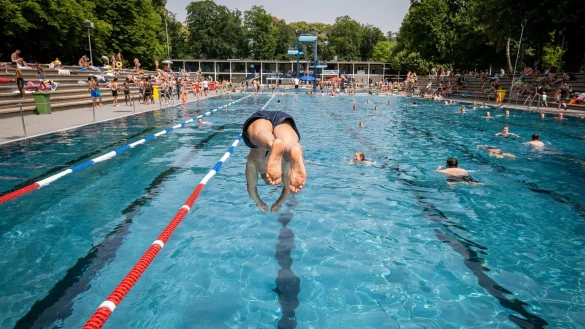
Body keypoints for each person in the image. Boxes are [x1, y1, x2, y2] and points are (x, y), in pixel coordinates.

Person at [243, 111, 306, 213]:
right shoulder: (254, 163)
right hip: (264, 120)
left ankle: (289, 147)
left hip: (281, 120)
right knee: (259, 135)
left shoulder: (282, 168)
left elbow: (288, 189)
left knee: (287, 147)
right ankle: (274, 144)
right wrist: (271, 203)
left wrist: (271, 203)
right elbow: (251, 187)